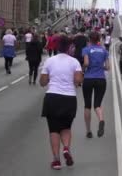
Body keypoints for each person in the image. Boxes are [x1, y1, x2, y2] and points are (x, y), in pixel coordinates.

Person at [40, 35, 83, 170]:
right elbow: (78, 81)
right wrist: (74, 80)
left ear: (58, 47)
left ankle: (56, 160)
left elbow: (42, 82)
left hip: (52, 97)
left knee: (53, 130)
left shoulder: (49, 61)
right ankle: (66, 148)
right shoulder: (75, 62)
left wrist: (51, 77)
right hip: (69, 98)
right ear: (70, 47)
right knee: (66, 127)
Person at [82, 31, 110, 138]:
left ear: (89, 39)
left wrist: (83, 69)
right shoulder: (104, 50)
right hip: (101, 79)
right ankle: (101, 120)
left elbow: (86, 63)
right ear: (98, 39)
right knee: (97, 104)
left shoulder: (86, 49)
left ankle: (88, 131)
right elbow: (107, 67)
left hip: (88, 79)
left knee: (87, 105)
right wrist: (99, 67)